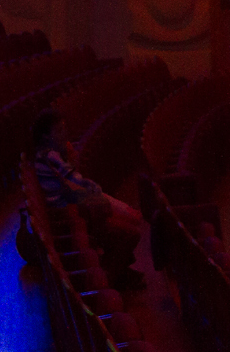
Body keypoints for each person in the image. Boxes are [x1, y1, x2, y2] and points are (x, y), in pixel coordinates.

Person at [30, 109, 145, 289]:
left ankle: (119, 273)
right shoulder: (51, 156)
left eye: (64, 130)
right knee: (130, 234)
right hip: (68, 217)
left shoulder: (44, 155)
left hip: (70, 210)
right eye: (58, 131)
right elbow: (76, 181)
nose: (64, 135)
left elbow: (74, 181)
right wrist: (92, 188)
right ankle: (109, 280)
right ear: (45, 136)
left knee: (122, 225)